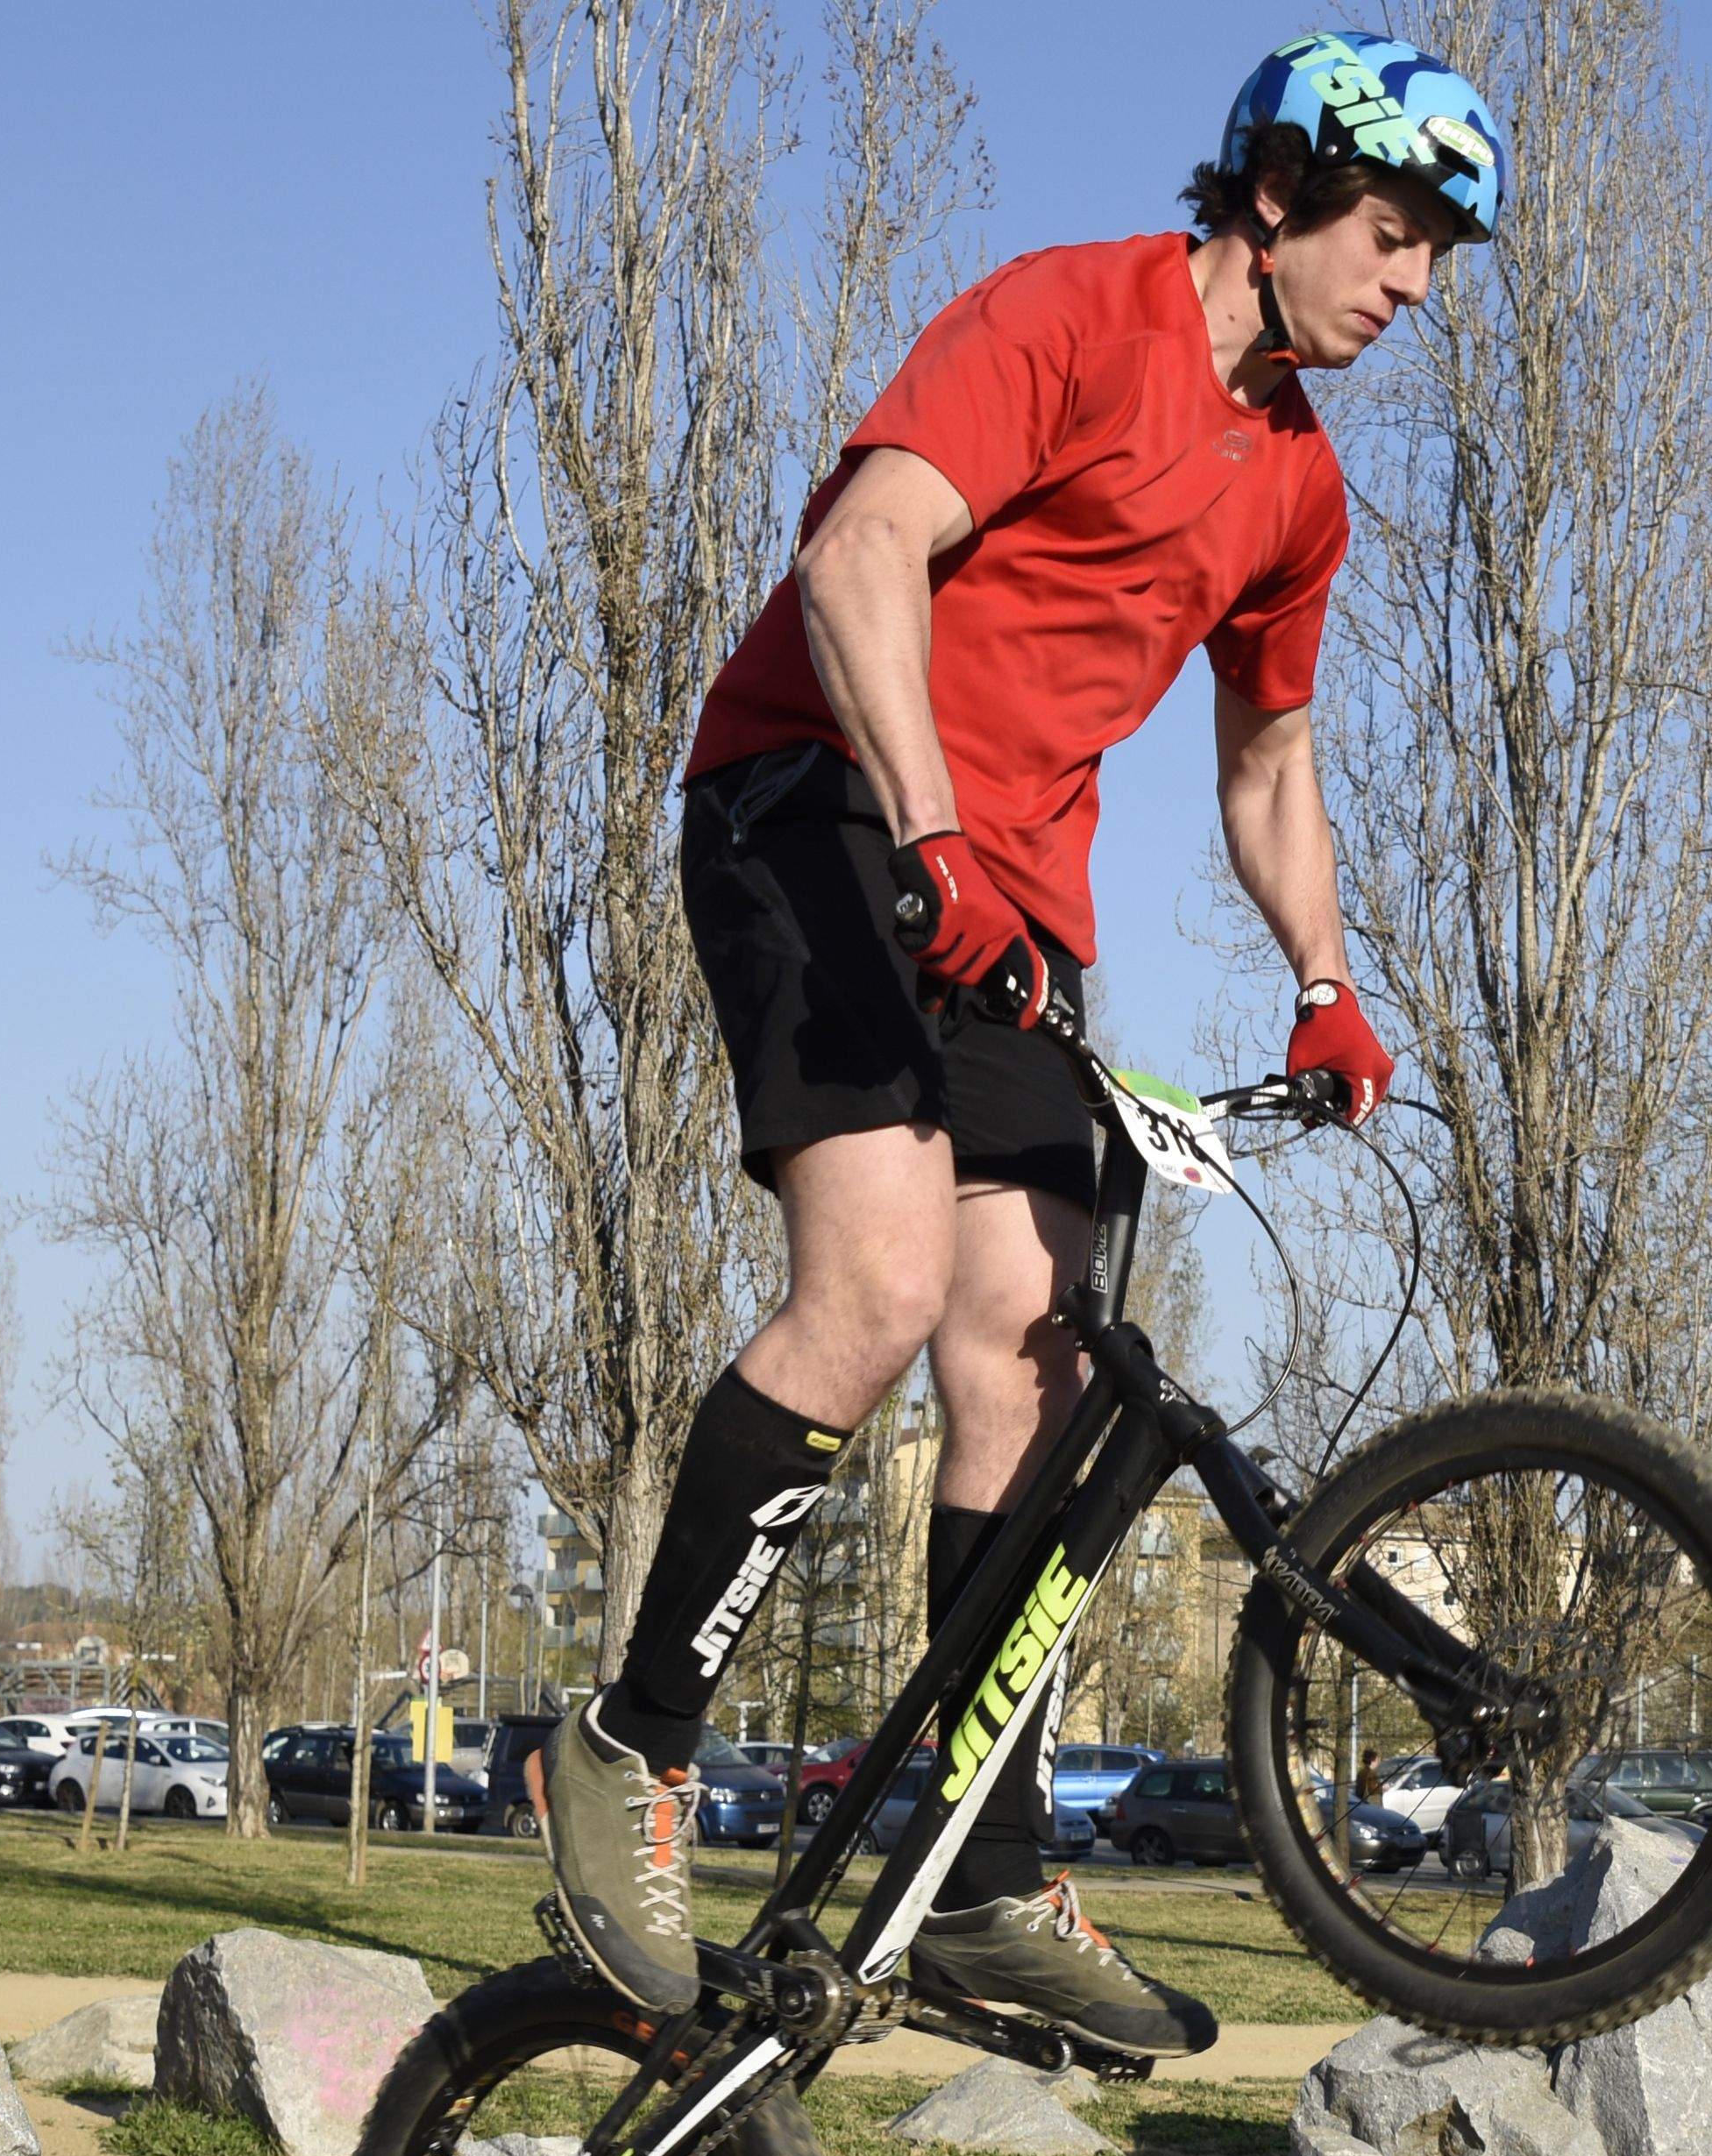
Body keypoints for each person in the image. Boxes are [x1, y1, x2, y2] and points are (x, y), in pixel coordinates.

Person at [529, 34, 1508, 2050]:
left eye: (1436, 251)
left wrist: (1325, 977)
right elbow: (858, 550)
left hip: (1009, 909)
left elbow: (1269, 761)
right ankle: (627, 1748)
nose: (1414, 281)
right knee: (879, 1283)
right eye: (1393, 230)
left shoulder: (1297, 488)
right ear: (1275, 194)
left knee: (1036, 1355)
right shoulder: (1068, 317)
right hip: (814, 797)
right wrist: (933, 831)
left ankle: (977, 1873)